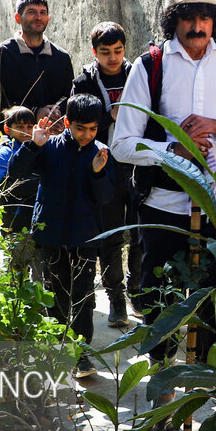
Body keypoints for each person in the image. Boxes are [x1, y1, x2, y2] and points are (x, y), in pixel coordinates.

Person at [109, 0, 216, 375]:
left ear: (215, 20)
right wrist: (171, 148)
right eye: (188, 17)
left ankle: (215, 391)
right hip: (164, 208)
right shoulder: (150, 66)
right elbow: (122, 144)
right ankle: (163, 388)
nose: (197, 27)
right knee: (161, 305)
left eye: (205, 17)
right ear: (172, 20)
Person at [10, 94, 114, 380]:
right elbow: (15, 172)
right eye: (81, 128)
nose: (86, 135)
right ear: (67, 123)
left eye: (93, 129)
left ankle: (81, 354)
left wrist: (97, 174)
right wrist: (33, 144)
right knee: (56, 293)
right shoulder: (49, 147)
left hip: (84, 237)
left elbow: (106, 198)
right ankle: (57, 348)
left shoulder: (101, 153)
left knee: (82, 295)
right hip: (51, 233)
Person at [72, 21, 141, 328]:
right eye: (105, 52)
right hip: (105, 164)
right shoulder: (85, 81)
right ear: (94, 52)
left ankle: (138, 291)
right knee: (111, 236)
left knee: (141, 231)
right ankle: (116, 298)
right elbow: (75, 117)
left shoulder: (138, 75)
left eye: (118, 51)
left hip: (140, 164)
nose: (112, 58)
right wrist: (109, 114)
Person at [0, 0, 73, 122]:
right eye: (31, 12)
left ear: (48, 18)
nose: (38, 17)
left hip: (52, 135)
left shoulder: (61, 57)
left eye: (43, 12)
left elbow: (70, 96)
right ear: (18, 18)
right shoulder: (1, 53)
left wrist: (56, 111)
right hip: (14, 137)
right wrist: (34, 112)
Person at [0, 105, 40, 281]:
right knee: (18, 265)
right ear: (7, 129)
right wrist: (40, 182)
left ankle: (37, 306)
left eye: (30, 127)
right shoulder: (4, 153)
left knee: (40, 265)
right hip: (15, 218)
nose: (26, 131)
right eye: (20, 127)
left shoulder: (39, 148)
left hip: (38, 217)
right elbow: (6, 187)